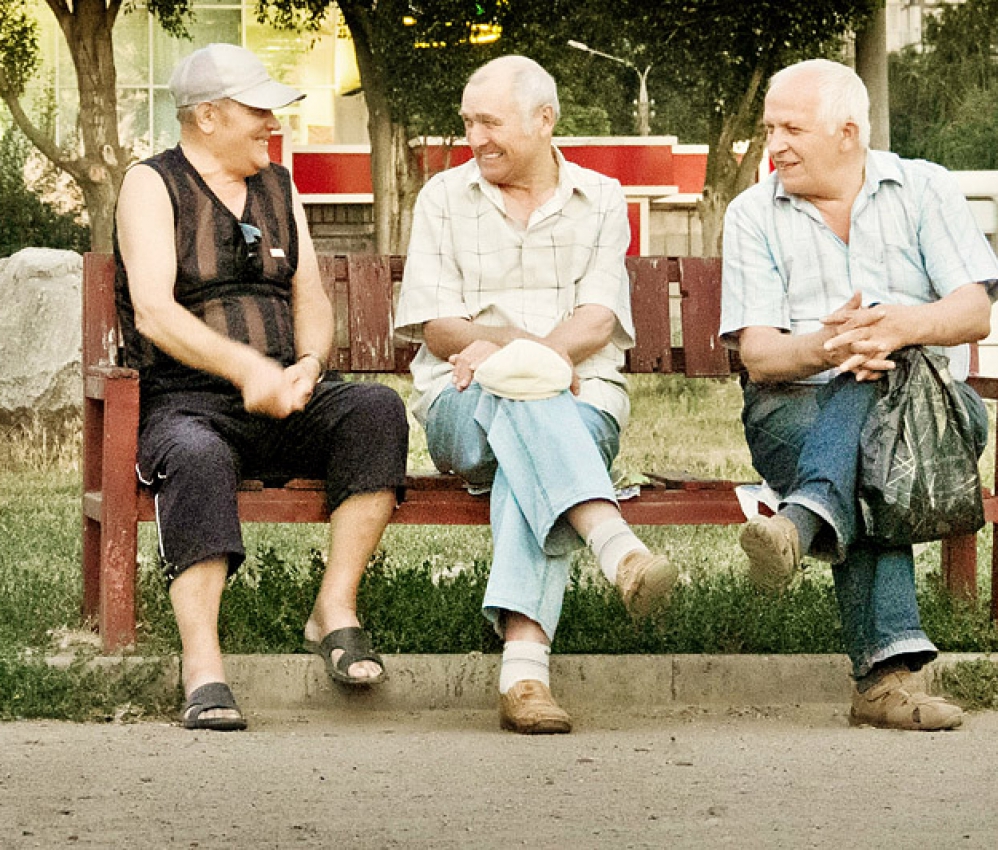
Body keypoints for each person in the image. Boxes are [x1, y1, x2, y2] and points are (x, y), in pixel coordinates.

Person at [114, 44, 409, 731]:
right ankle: (204, 667)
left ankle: (333, 611)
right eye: (257, 109)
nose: (271, 123)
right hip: (188, 401)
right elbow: (155, 311)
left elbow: (309, 296)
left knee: (376, 409)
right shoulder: (151, 185)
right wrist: (249, 371)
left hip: (287, 394)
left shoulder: (278, 185)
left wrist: (306, 363)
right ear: (208, 116)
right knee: (195, 457)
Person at [720, 58, 998, 731]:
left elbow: (974, 310)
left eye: (791, 128)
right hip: (790, 409)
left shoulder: (923, 188)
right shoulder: (752, 214)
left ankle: (802, 521)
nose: (775, 145)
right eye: (769, 129)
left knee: (875, 409)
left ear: (848, 132)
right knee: (867, 452)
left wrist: (899, 327)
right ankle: (884, 682)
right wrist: (833, 346)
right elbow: (760, 355)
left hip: (927, 412)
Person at [394, 55, 677, 735]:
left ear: (543, 120)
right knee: (523, 402)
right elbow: (436, 324)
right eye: (467, 123)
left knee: (529, 447)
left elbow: (599, 317)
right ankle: (614, 547)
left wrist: (525, 360)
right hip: (463, 408)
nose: (475, 137)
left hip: (579, 405)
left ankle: (525, 678)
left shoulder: (602, 198)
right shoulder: (443, 197)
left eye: (489, 122)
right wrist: (525, 360)